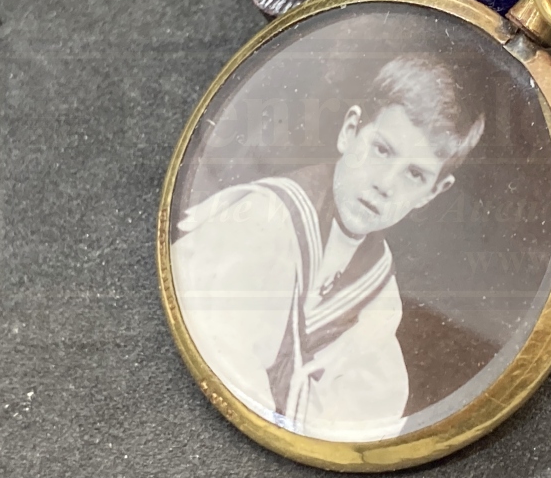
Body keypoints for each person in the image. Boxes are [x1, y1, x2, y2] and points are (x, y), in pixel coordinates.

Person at [171, 54, 485, 441]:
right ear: (350, 131)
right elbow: (223, 354)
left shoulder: (380, 298)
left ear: (432, 193)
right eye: (382, 150)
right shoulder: (264, 219)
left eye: (415, 175)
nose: (385, 184)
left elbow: (367, 414)